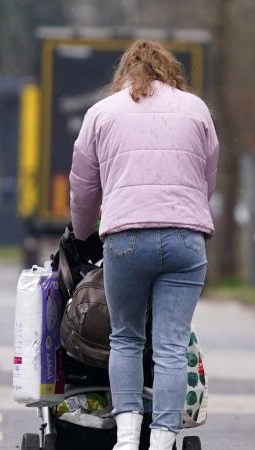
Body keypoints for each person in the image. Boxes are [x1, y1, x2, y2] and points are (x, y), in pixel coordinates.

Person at [69, 40, 219, 450]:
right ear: (169, 70)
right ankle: (162, 438)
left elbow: (83, 186)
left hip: (126, 239)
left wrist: (82, 232)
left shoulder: (101, 113)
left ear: (125, 73)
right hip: (185, 240)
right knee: (170, 344)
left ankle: (126, 438)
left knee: (126, 338)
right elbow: (207, 176)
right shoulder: (196, 109)